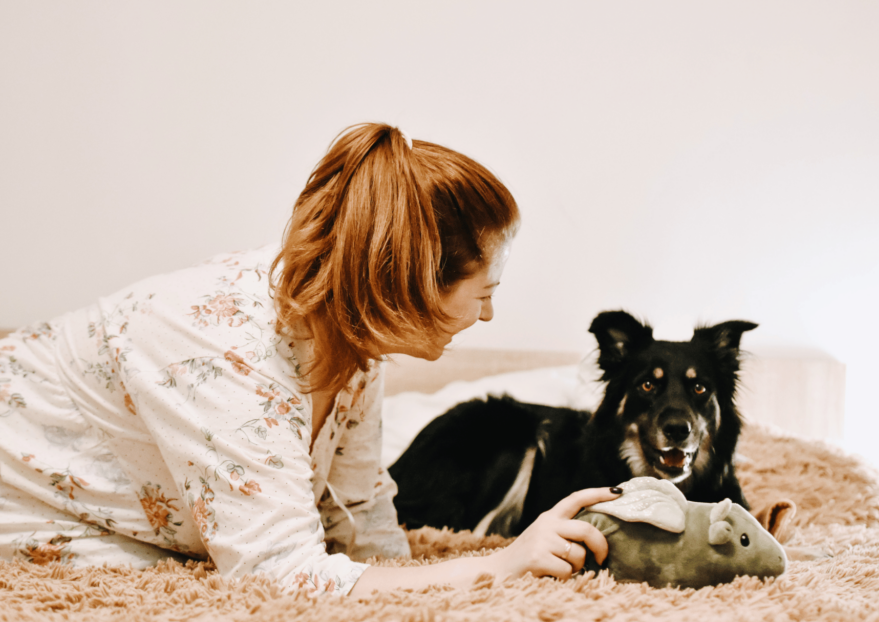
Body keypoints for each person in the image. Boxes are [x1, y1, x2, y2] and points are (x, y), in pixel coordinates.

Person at [0, 123, 617, 597]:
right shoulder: (226, 350)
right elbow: (279, 575)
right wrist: (498, 565)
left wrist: (451, 588)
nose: (487, 317)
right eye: (484, 294)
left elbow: (363, 525)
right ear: (412, 284)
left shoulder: (355, 337)